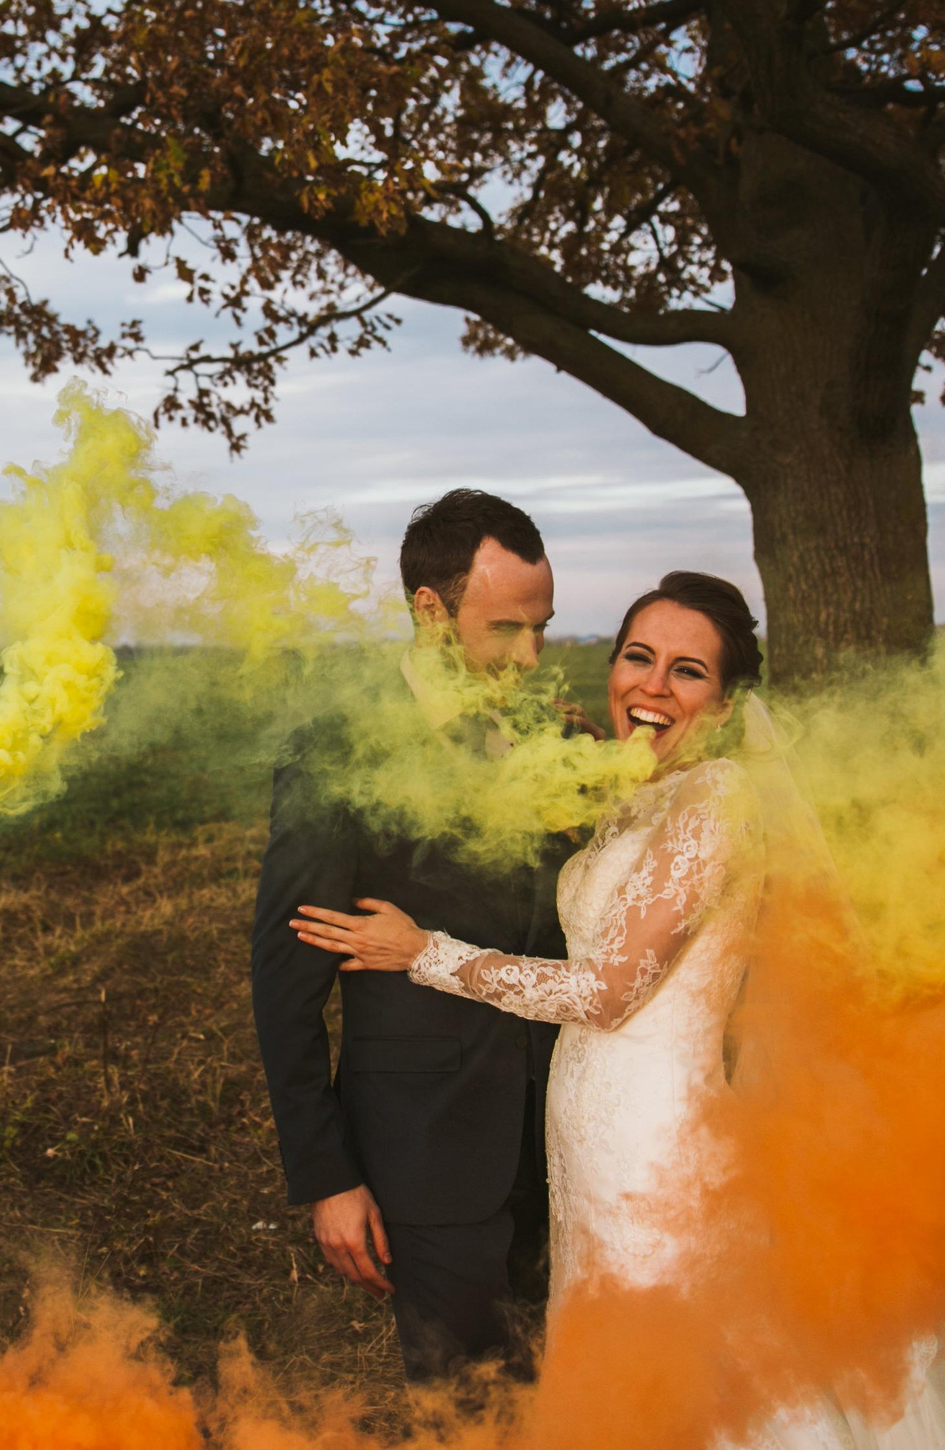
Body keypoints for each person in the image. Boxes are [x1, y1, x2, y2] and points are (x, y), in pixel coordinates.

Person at [292, 571, 945, 1446]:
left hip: (659, 1150)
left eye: (688, 670)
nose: (652, 685)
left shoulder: (719, 799)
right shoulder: (643, 791)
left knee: (695, 1374)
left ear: (728, 697)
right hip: (593, 1144)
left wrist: (424, 953)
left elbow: (606, 989)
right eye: (639, 657)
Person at [250, 489, 574, 1380]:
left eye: (543, 627)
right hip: (428, 1156)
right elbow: (284, 986)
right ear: (430, 611)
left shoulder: (551, 729)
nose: (532, 655)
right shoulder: (335, 753)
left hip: (570, 1141)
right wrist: (326, 1176)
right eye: (507, 629)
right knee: (465, 1410)